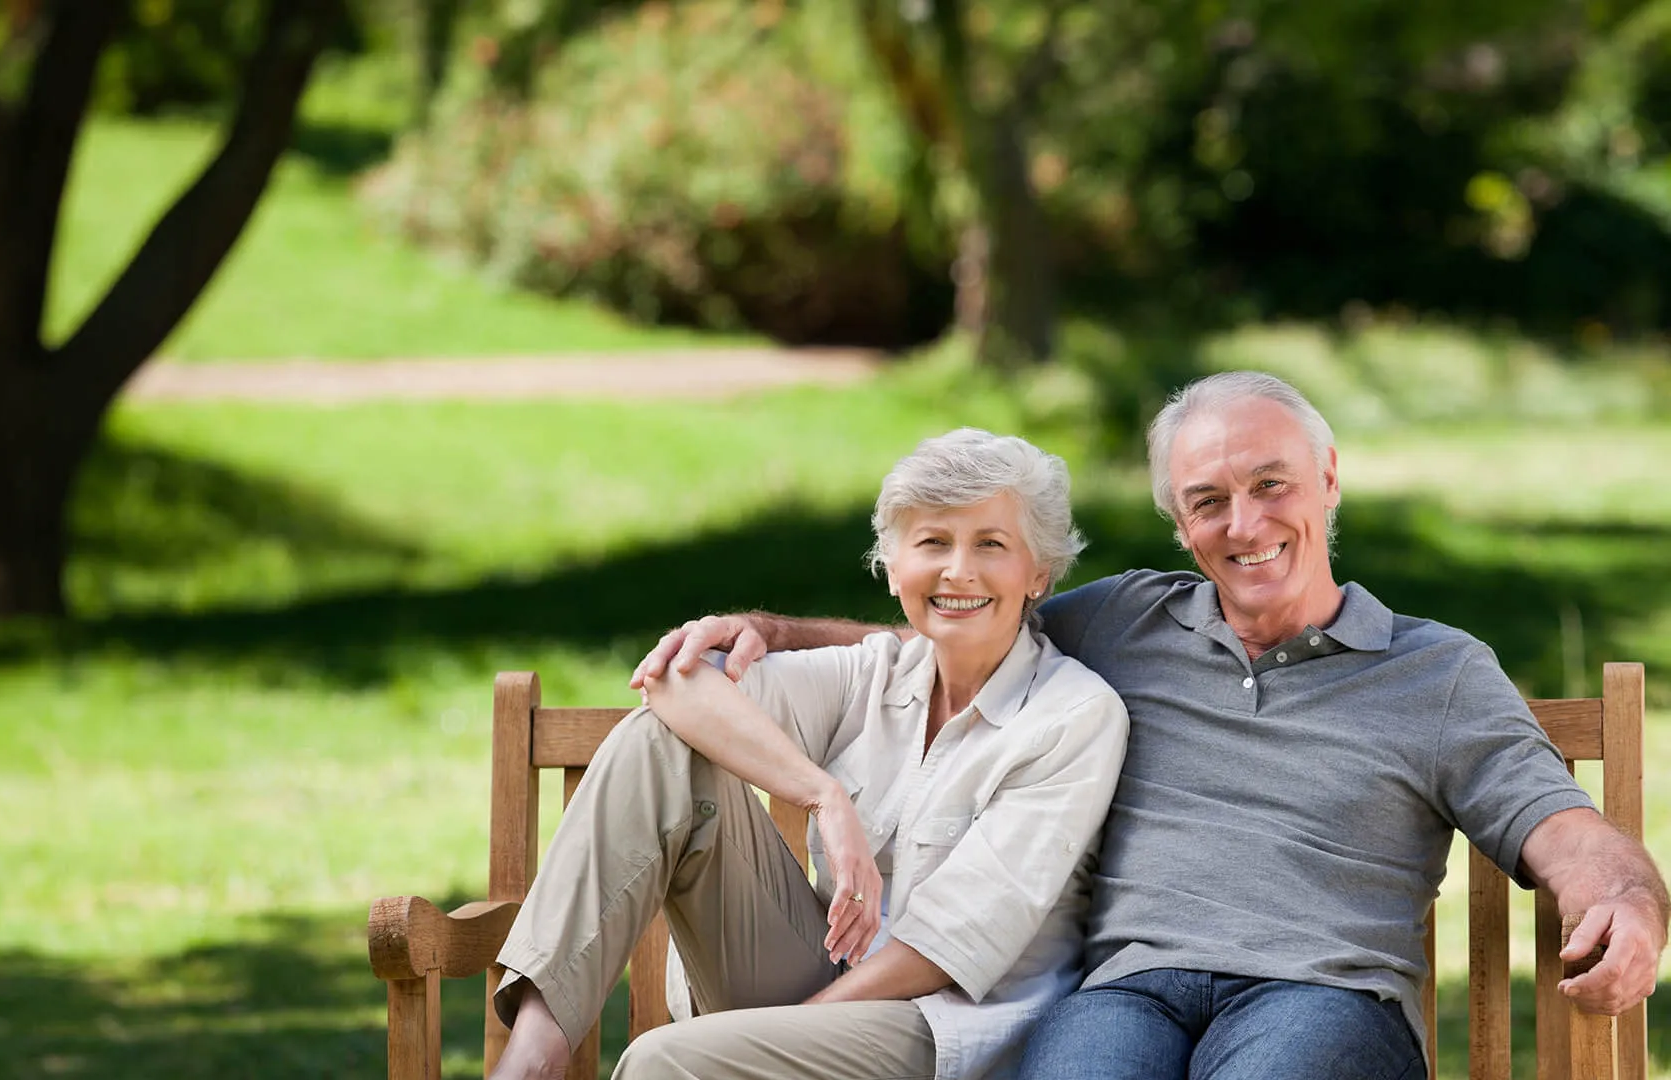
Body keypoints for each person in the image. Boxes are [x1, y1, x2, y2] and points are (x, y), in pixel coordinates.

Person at [633, 371, 1669, 1080]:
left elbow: (1555, 822)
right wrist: (771, 629)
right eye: (1208, 500)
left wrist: (1623, 897)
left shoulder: (1434, 671)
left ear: (1329, 480)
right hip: (1127, 993)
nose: (1245, 524)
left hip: (1323, 998)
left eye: (1272, 486)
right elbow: (955, 627)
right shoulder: (1126, 622)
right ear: (1179, 522)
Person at [489, 428, 1129, 1080]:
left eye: (990, 544)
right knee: (662, 744)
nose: (957, 569)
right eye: (932, 541)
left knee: (663, 1061)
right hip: (820, 980)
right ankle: (533, 1056)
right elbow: (676, 683)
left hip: (940, 1032)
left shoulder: (1073, 717)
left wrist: (790, 1028)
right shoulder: (874, 674)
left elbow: (942, 951)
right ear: (893, 566)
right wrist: (821, 794)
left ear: (1038, 574)